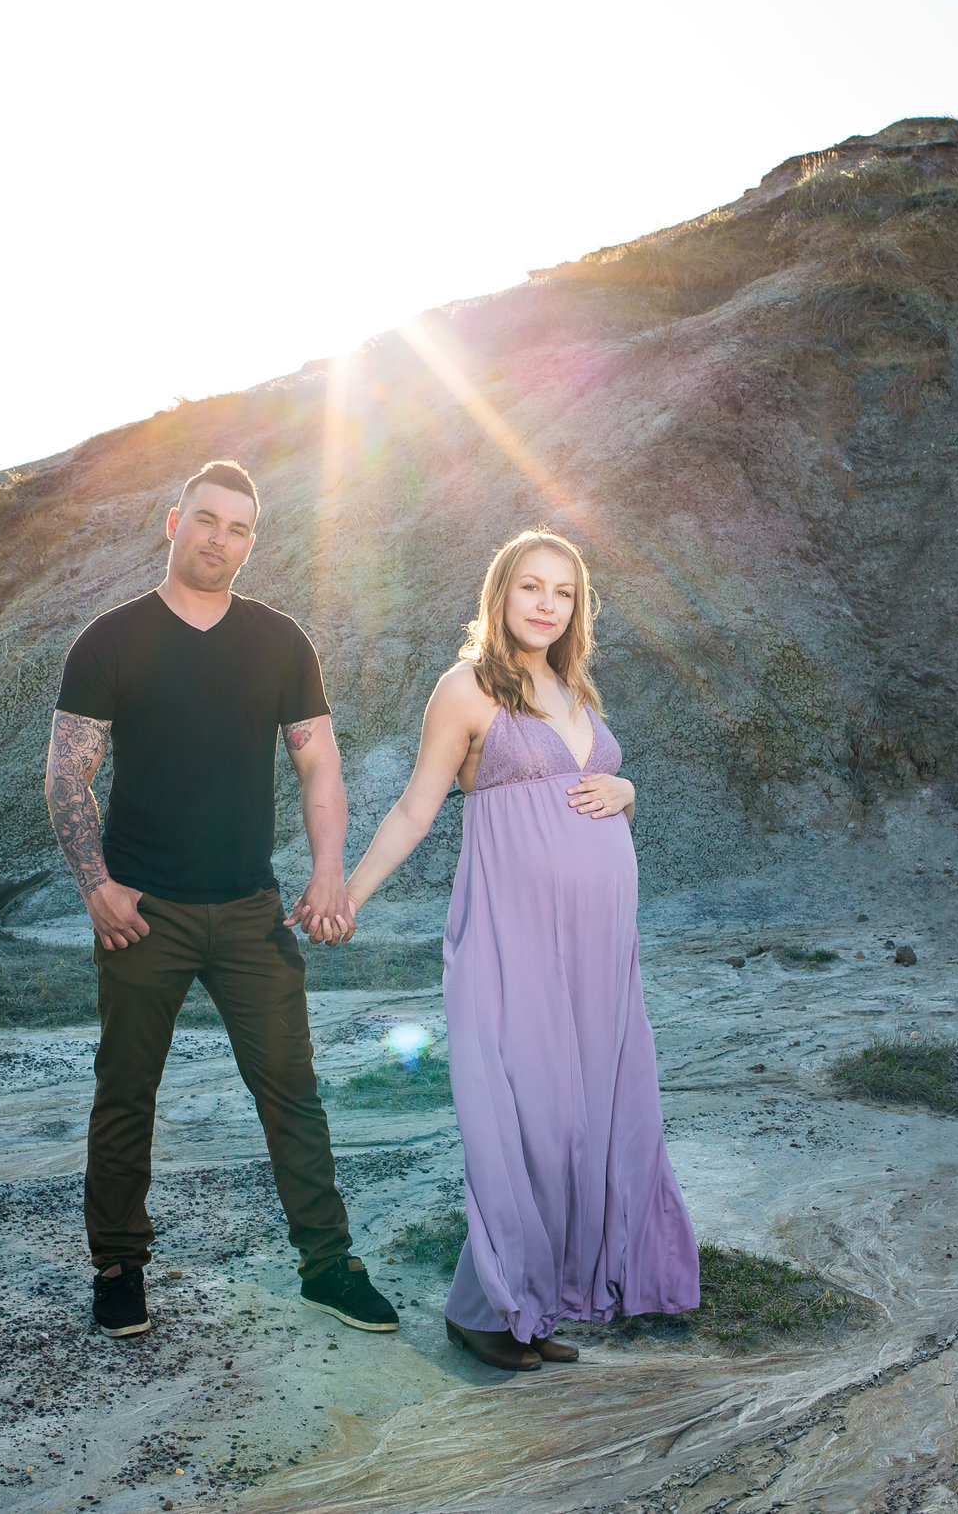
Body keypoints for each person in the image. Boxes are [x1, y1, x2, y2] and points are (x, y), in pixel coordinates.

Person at [43, 458, 399, 1341]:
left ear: (252, 541)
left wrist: (327, 870)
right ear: (174, 523)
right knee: (126, 1090)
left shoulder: (280, 641)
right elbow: (66, 771)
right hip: (142, 912)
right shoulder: (111, 638)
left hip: (249, 908)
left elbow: (318, 761)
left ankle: (327, 1264)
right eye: (207, 520)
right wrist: (96, 886)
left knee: (292, 1089)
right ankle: (120, 1268)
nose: (221, 539)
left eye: (240, 527)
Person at [341, 529, 699, 1370]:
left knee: (589, 1116)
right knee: (528, 1115)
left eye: (564, 591)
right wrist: (346, 896)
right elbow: (413, 810)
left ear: (577, 607)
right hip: (516, 933)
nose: (546, 603)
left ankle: (536, 1302)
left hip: (602, 943)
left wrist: (631, 789)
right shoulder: (465, 689)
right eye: (531, 586)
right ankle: (484, 1306)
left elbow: (602, 794)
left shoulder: (575, 687)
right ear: (500, 594)